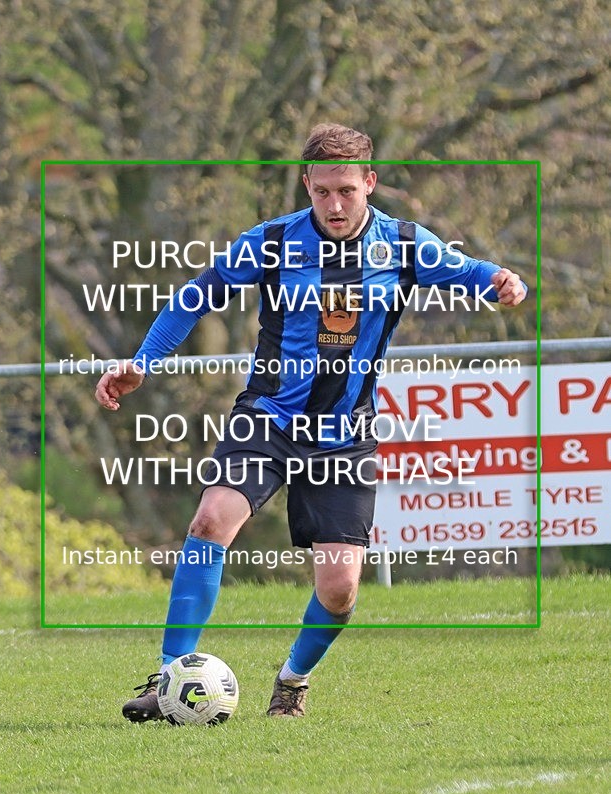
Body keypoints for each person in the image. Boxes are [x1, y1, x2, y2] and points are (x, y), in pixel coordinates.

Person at [95, 123, 527, 719]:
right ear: (307, 185)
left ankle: (292, 679)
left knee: (340, 590)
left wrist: (505, 282)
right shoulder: (272, 242)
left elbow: (476, 274)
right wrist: (142, 363)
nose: (335, 204)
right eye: (322, 191)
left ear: (369, 183)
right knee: (209, 523)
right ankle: (170, 678)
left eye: (346, 190)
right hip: (267, 420)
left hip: (345, 436)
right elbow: (197, 294)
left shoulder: (403, 245)